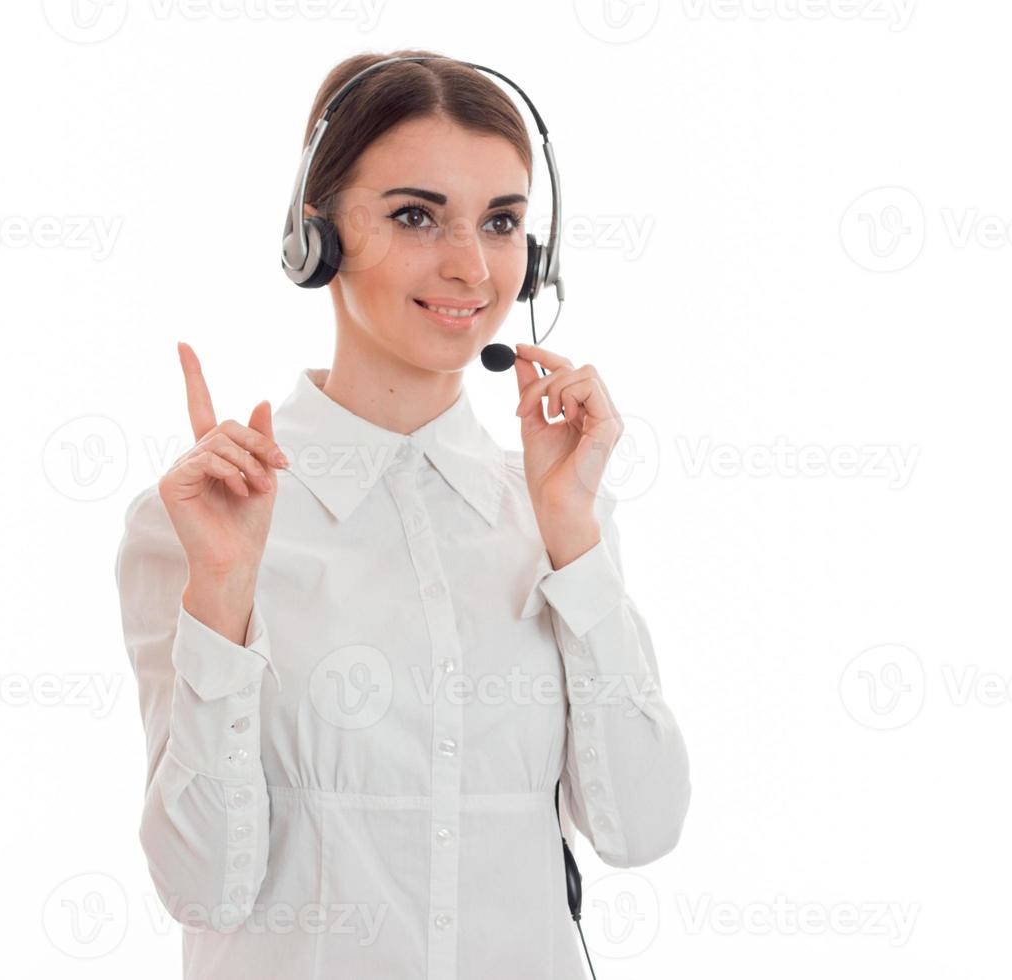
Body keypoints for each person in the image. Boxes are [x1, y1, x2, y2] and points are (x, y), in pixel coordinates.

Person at [115, 49, 691, 979]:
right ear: (318, 237)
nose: (470, 266)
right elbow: (204, 888)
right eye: (416, 216)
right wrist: (222, 593)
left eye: (502, 222)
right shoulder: (202, 523)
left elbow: (644, 828)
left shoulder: (553, 513)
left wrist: (574, 542)